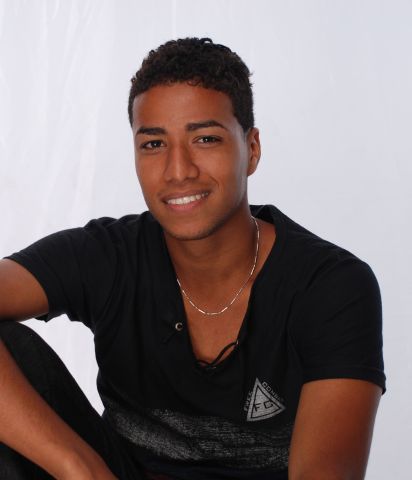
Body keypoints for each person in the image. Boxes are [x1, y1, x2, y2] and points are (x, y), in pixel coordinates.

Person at [0, 37, 385, 480]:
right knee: (13, 351)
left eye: (205, 138)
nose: (178, 170)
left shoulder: (330, 287)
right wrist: (77, 467)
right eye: (153, 144)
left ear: (252, 149)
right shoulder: (108, 256)